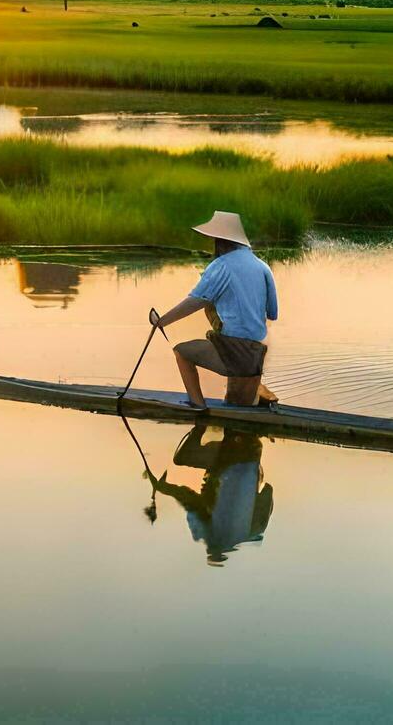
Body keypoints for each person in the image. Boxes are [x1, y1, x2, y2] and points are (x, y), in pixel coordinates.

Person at [150, 211, 278, 409]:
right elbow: (272, 313)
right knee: (236, 403)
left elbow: (195, 301)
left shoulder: (221, 265)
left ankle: (198, 406)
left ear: (221, 241)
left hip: (236, 352)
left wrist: (162, 321)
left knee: (182, 352)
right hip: (257, 353)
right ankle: (251, 393)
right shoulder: (263, 267)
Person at [149, 424, 274, 565]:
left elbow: (268, 490)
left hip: (253, 451)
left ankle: (244, 435)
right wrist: (165, 488)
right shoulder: (206, 531)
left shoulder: (254, 531)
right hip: (230, 455)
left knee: (242, 464)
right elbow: (189, 500)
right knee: (182, 458)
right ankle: (202, 424)